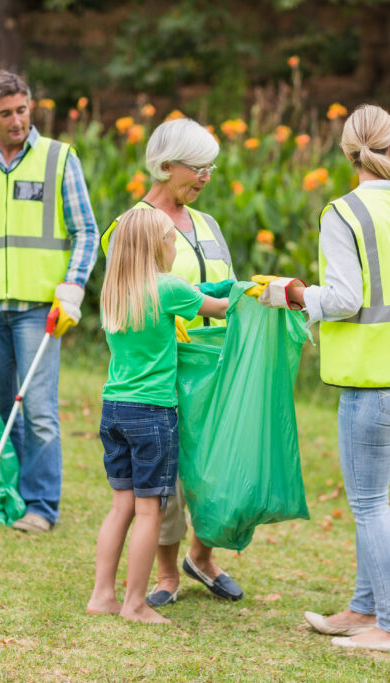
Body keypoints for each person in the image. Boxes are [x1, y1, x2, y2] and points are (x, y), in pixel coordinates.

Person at [263, 104, 390, 653]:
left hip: (374, 383)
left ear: (348, 154)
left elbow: (346, 299)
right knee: (371, 500)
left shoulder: (343, 213)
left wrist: (293, 293)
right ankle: (362, 609)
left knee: (369, 504)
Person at [0, 70, 98, 533]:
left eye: (22, 110)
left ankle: (41, 507)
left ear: (32, 107)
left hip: (39, 308)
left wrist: (72, 287)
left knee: (40, 410)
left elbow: (86, 230)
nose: (16, 121)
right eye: (5, 114)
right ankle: (9, 493)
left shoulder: (59, 159)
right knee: (0, 406)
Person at [99, 117, 243, 606]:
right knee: (164, 486)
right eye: (197, 167)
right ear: (165, 165)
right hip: (167, 371)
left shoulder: (208, 225)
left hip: (214, 365)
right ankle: (164, 577)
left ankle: (201, 557)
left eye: (211, 168)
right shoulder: (132, 227)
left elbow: (224, 286)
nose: (206, 177)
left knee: (217, 469)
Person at [85, 208, 229, 623]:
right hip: (152, 413)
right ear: (155, 246)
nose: (174, 245)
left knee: (121, 508)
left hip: (114, 409)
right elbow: (217, 307)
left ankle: (102, 596)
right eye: (170, 239)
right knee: (150, 512)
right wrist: (247, 293)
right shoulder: (167, 288)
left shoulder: (116, 290)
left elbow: (195, 291)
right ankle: (135, 604)